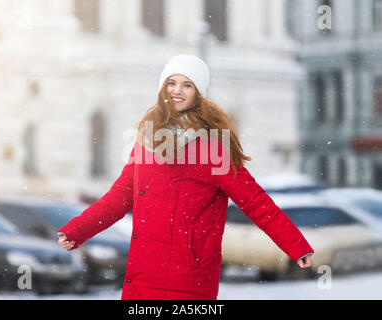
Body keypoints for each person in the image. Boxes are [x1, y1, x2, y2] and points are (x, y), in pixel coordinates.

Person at [58, 54, 314, 300]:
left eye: (187, 84)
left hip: (189, 278)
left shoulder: (213, 148)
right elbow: (117, 200)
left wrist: (295, 245)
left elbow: (255, 202)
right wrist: (76, 231)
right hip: (142, 275)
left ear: (198, 93)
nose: (177, 90)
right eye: (171, 82)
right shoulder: (146, 142)